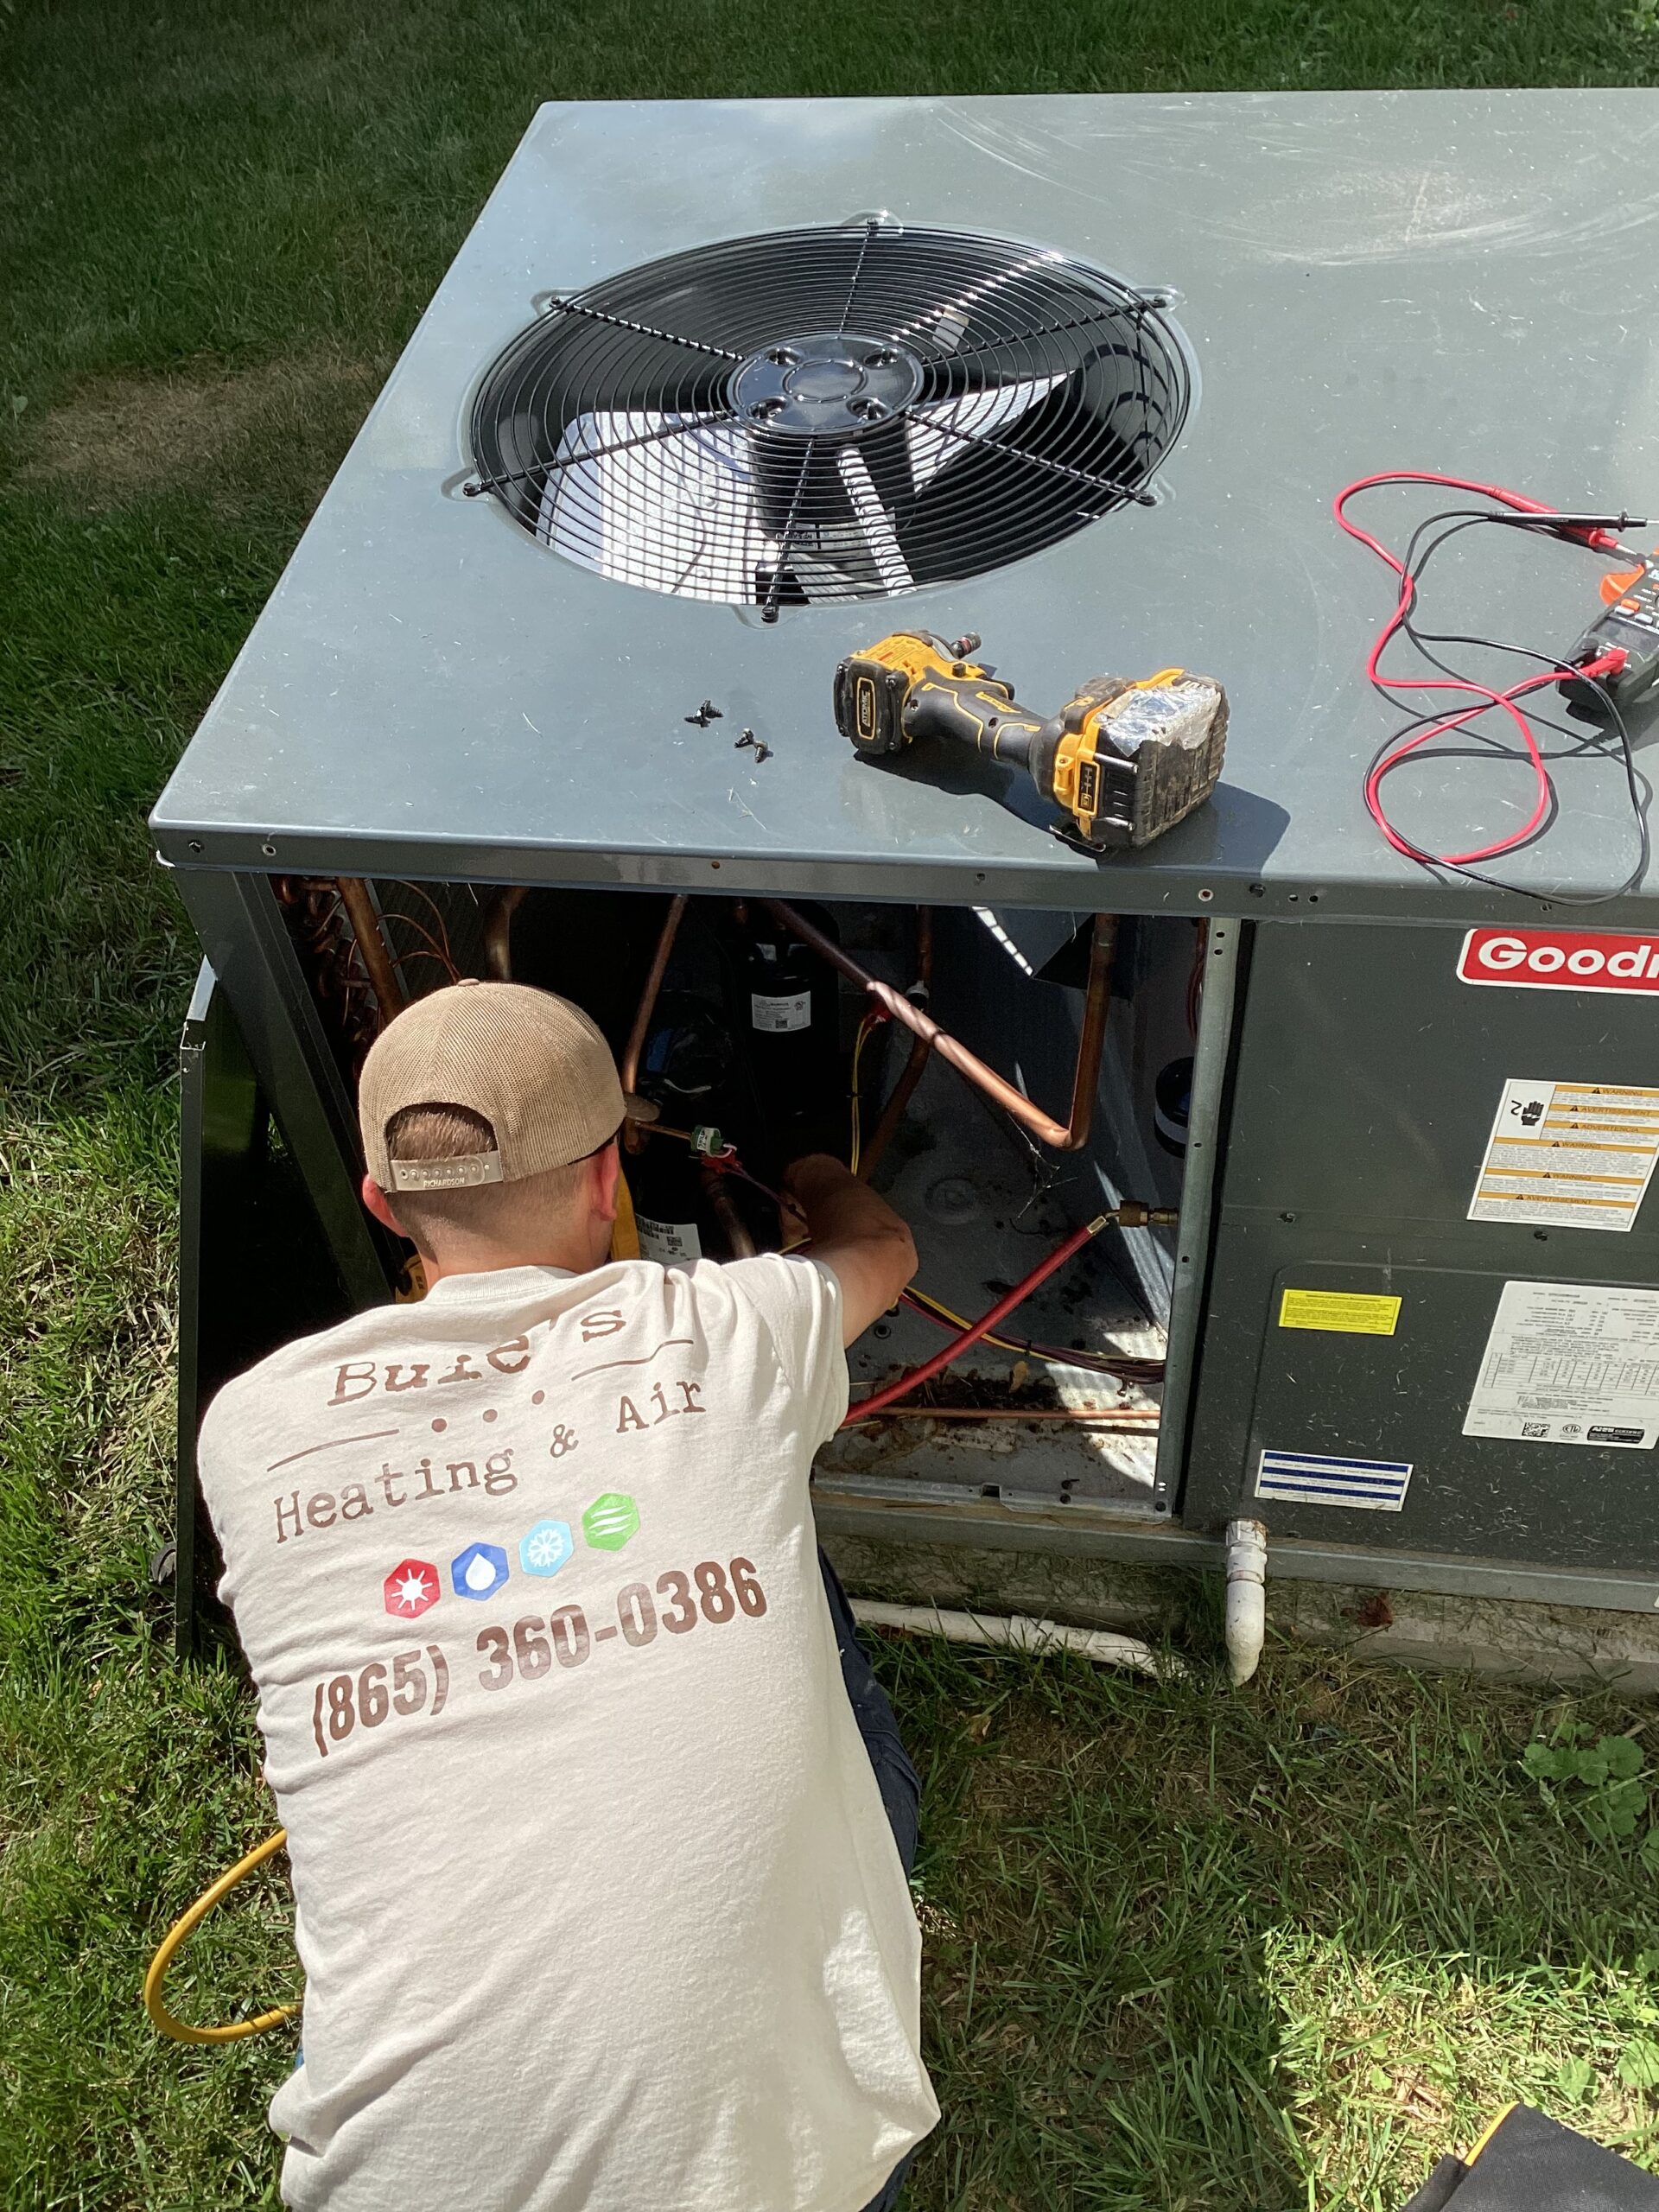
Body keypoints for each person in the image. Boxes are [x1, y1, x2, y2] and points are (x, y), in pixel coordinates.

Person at [196, 977, 940, 2212]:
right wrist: (813, 1164)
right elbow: (885, 1254)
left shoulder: (251, 1430)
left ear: (385, 1206)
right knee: (778, 1544)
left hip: (398, 2183)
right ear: (611, 1184)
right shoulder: (722, 1332)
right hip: (782, 2169)